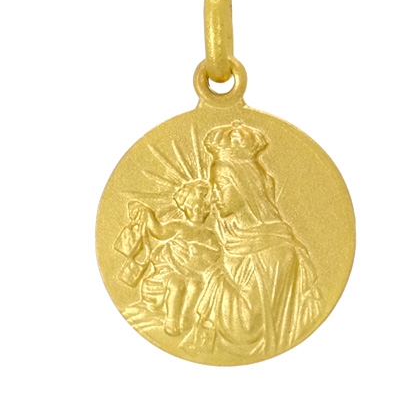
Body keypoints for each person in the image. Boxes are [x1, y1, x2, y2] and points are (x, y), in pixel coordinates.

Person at [184, 121, 322, 359]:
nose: (213, 197)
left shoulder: (276, 250)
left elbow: (246, 327)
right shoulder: (230, 235)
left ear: (245, 187)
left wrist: (208, 271)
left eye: (220, 187)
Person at [135, 179, 220, 336]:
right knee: (177, 285)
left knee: (196, 285)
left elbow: (215, 253)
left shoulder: (209, 235)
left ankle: (186, 316)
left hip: (192, 271)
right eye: (194, 207)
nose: (198, 211)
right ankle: (172, 319)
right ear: (184, 207)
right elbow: (159, 232)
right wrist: (148, 214)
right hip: (170, 269)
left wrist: (200, 251)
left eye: (203, 207)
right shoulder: (179, 226)